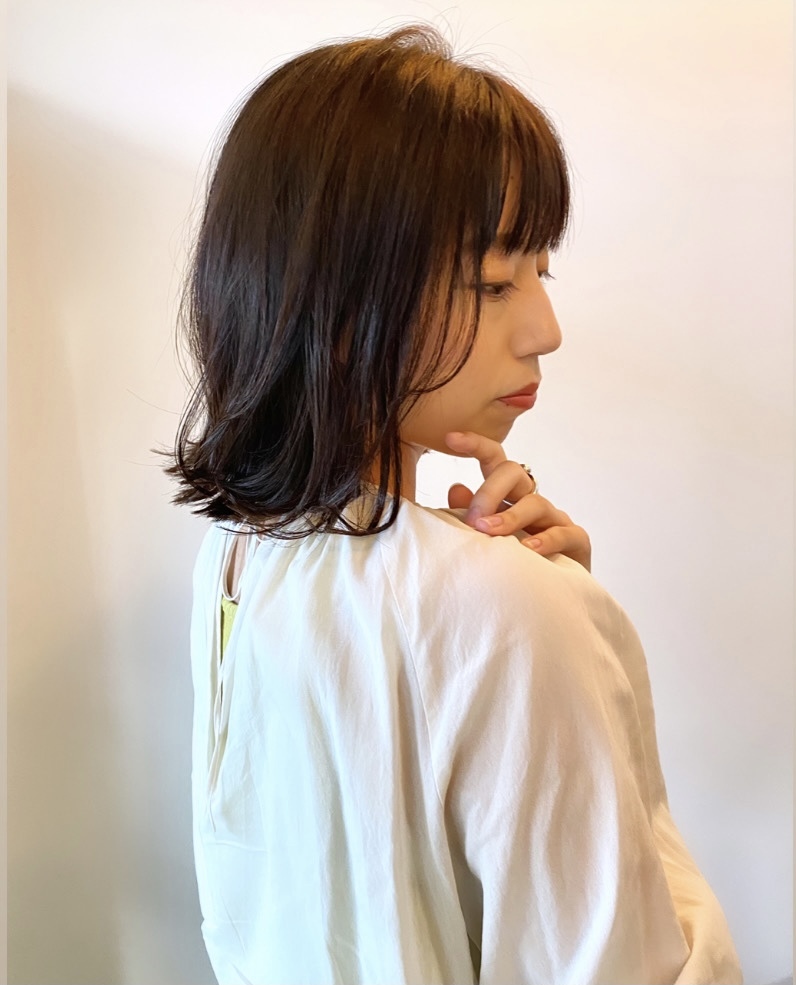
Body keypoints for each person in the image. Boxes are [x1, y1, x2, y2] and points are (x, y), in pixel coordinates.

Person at [159, 23, 744, 985]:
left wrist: (558, 626)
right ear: (335, 303)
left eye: (542, 271)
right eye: (492, 281)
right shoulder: (503, 607)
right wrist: (558, 625)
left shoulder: (237, 556)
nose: (545, 329)